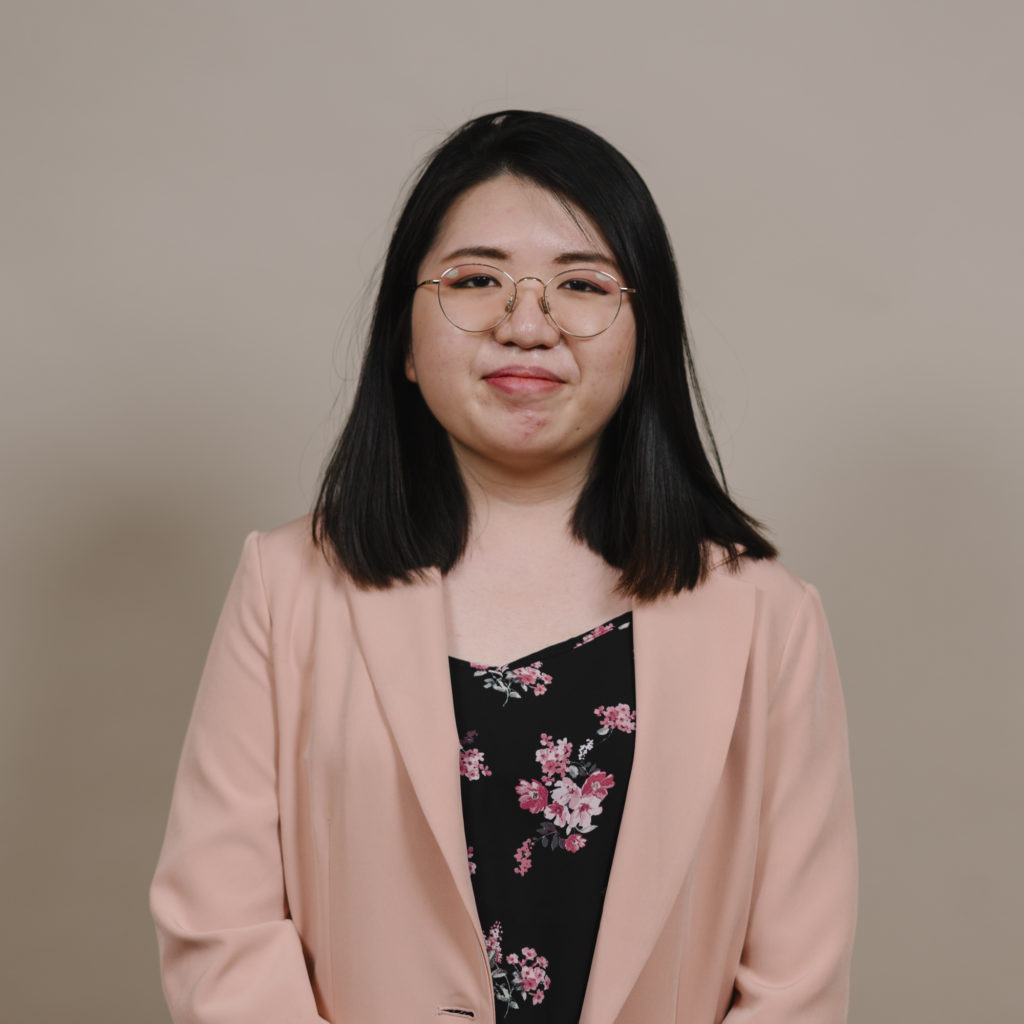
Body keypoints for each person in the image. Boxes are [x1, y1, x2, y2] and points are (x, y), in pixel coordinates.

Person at [150, 110, 857, 1024]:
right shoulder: (286, 587)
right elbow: (221, 934)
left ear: (645, 338)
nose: (528, 323)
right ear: (403, 342)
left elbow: (796, 984)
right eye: (476, 280)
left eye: (582, 284)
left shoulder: (769, 618)